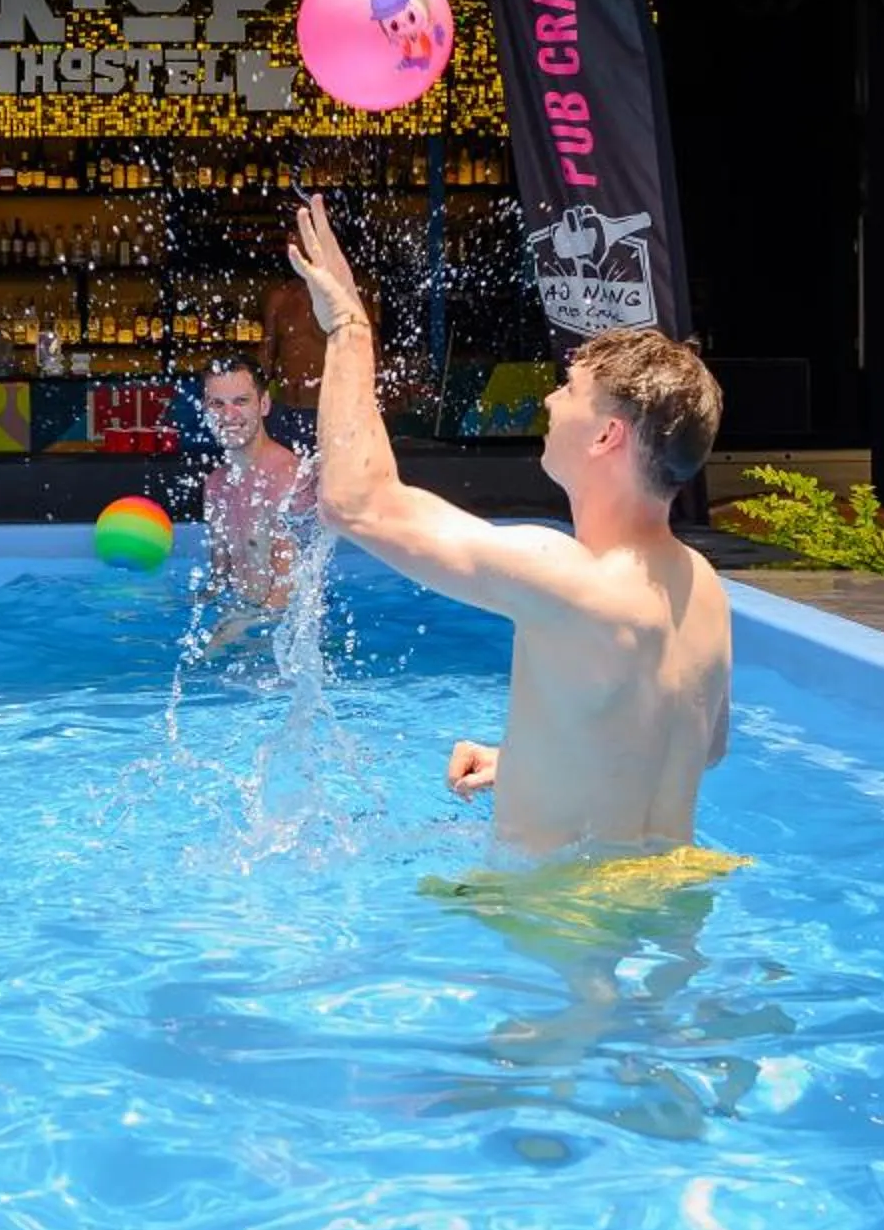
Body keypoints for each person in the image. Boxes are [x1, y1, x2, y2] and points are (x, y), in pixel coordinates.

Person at [285, 194, 732, 858]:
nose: (551, 399)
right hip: (673, 891)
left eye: (570, 390)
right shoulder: (701, 586)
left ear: (608, 435)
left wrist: (349, 328)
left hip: (562, 917)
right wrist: (530, 763)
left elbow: (357, 503)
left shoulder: (567, 575)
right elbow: (697, 744)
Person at [197, 356, 317, 619]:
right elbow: (219, 579)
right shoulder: (216, 485)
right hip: (247, 620)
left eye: (241, 401)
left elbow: (288, 592)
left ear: (263, 404)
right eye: (217, 404)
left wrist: (226, 639)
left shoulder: (289, 479)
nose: (228, 415)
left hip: (282, 638)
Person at [257, 273, 328, 451]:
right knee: (280, 473)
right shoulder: (281, 298)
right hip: (284, 407)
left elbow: (367, 349)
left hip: (327, 410)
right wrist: (254, 394)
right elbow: (267, 351)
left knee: (328, 475)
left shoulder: (340, 297)